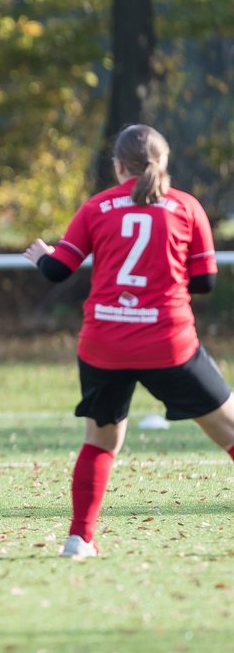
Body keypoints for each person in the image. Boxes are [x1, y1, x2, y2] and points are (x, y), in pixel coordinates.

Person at [25, 124, 234, 559]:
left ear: (118, 166)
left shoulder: (98, 206)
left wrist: (41, 256)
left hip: (105, 343)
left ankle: (79, 539)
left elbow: (57, 271)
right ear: (165, 162)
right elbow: (206, 282)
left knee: (101, 441)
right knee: (229, 431)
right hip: (168, 343)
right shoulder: (186, 207)